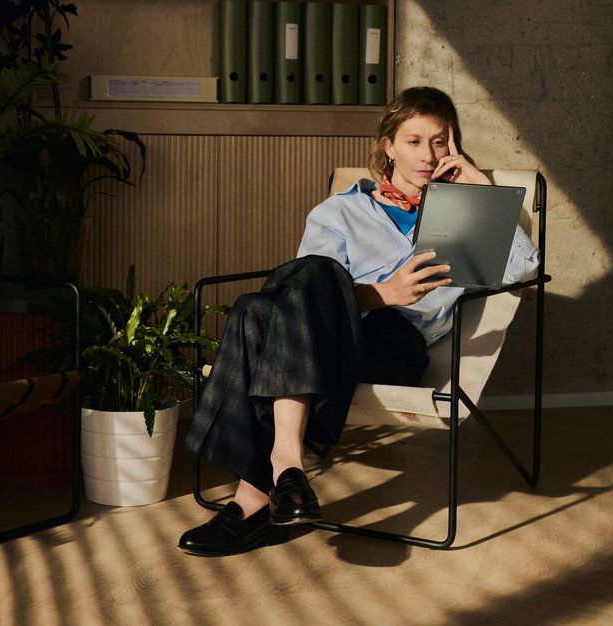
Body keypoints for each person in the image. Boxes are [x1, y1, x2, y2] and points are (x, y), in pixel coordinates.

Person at [178, 86, 541, 556]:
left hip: (394, 346)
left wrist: (481, 191)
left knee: (253, 311)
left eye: (439, 141)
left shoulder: (467, 217)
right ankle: (284, 473)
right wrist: (383, 293)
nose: (428, 155)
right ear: (387, 146)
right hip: (326, 339)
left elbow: (525, 270)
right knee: (306, 278)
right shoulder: (341, 210)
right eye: (413, 141)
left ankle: (258, 492)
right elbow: (303, 297)